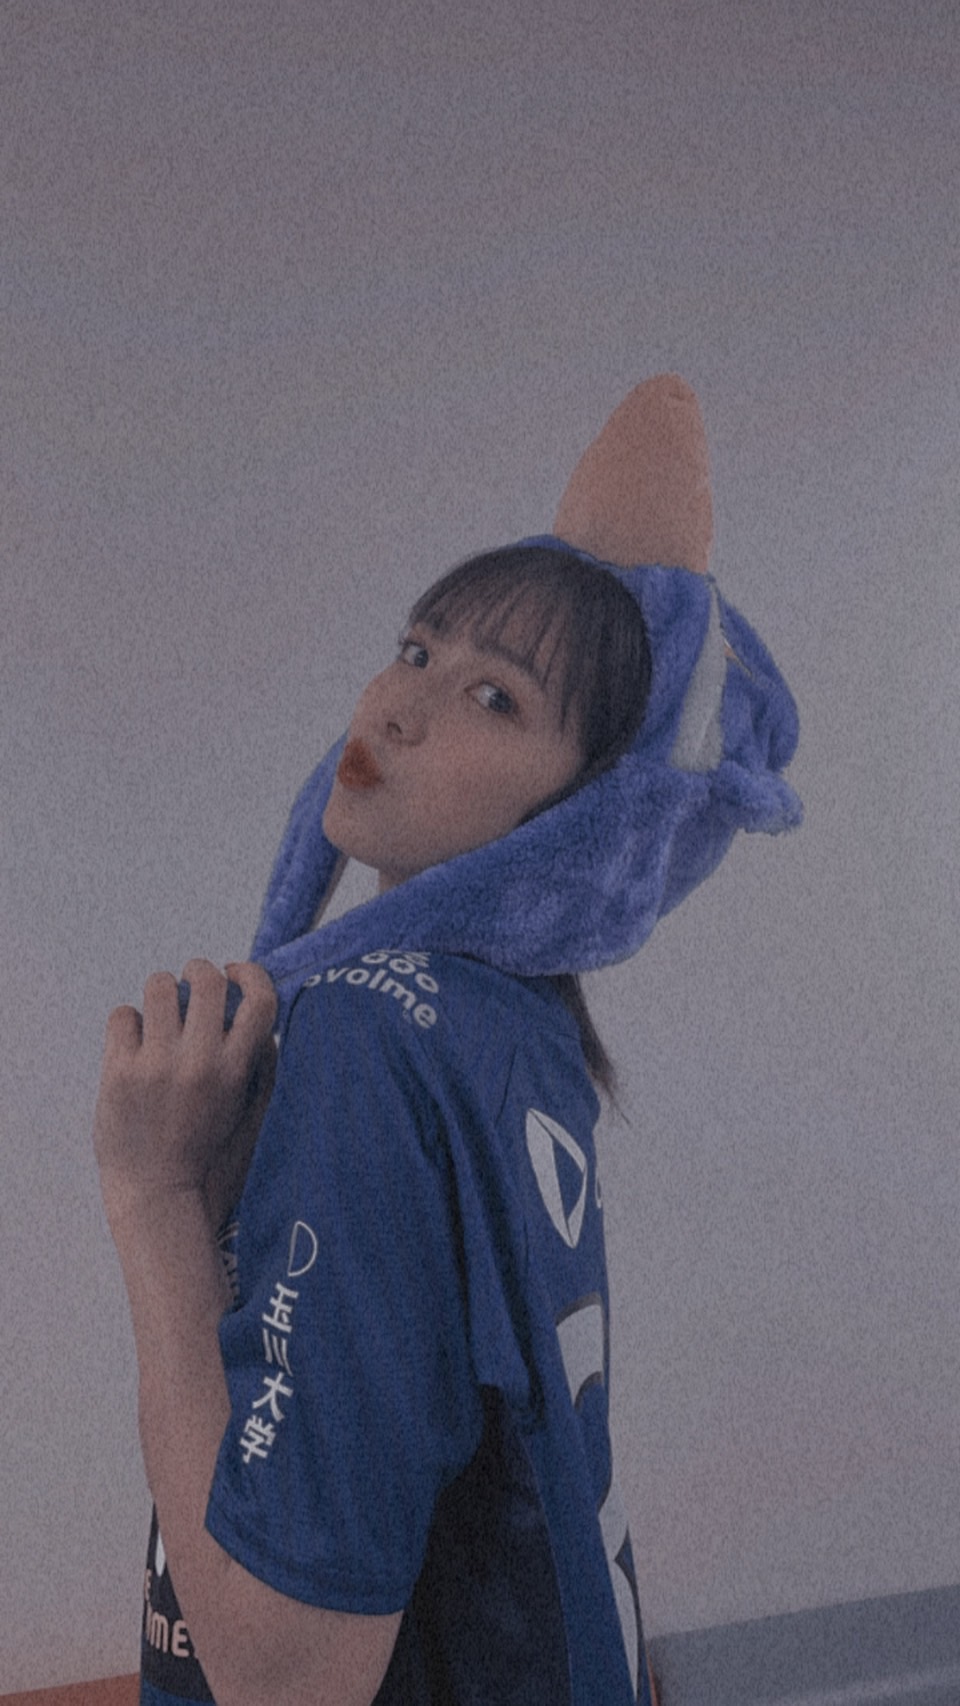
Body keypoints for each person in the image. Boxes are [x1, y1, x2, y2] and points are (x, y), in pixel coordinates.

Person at [94, 380, 801, 1706]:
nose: (399, 705)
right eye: (417, 649)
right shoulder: (506, 1022)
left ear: (587, 820)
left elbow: (288, 1676)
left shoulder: (370, 1041)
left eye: (494, 696)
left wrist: (154, 1199)